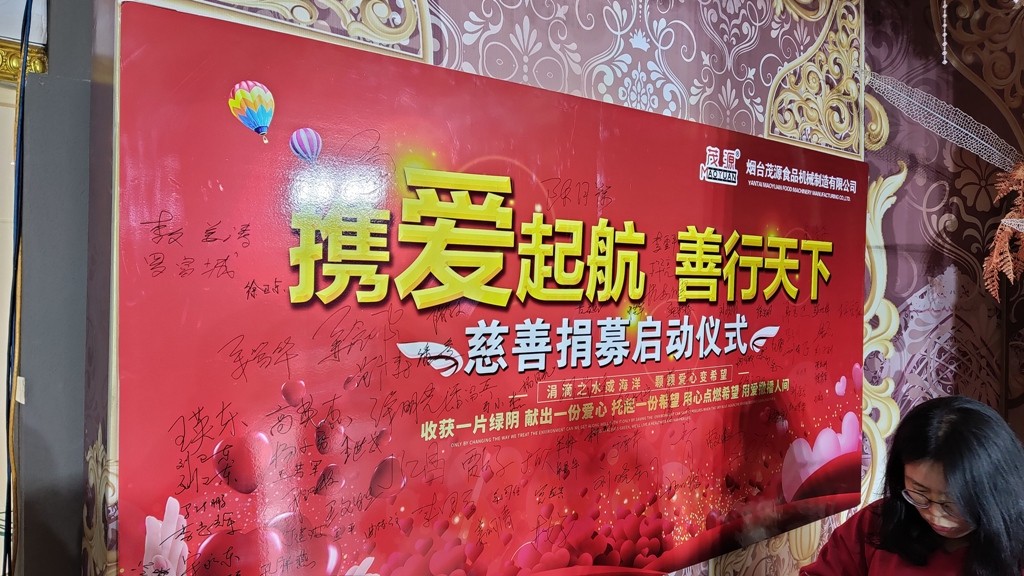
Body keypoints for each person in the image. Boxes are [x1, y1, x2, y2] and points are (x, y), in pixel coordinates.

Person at [799, 395, 1024, 576]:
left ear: (993, 491)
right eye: (920, 493)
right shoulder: (876, 524)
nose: (935, 515)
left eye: (950, 504)